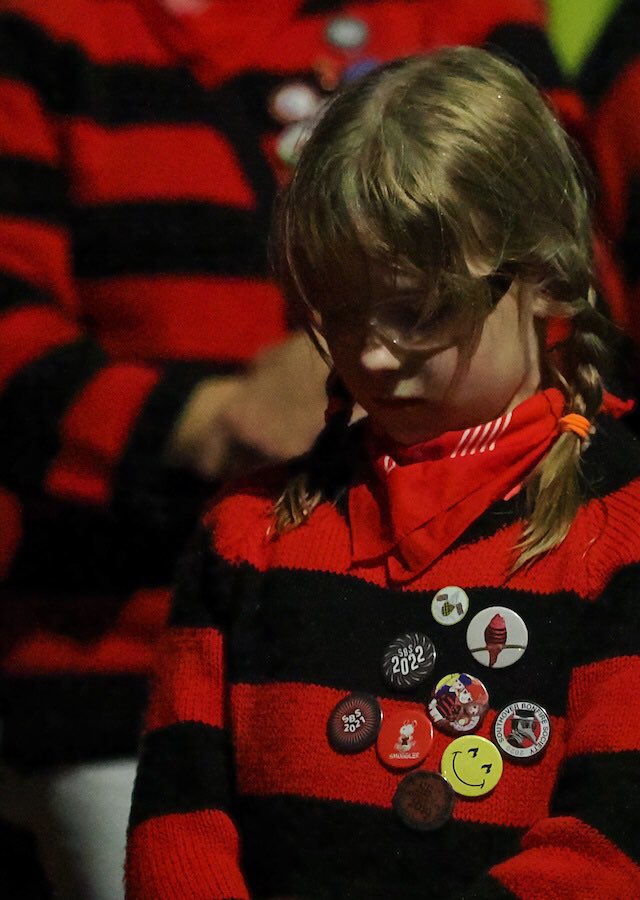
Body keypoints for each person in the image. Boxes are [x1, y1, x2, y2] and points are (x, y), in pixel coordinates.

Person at [125, 46, 640, 898]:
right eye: (340, 315)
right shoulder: (246, 534)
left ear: (548, 276)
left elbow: (617, 848)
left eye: (418, 311)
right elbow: (178, 827)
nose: (374, 354)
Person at [0, 2, 570, 896]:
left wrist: (372, 358)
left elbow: (568, 262)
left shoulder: (458, 12)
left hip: (462, 647)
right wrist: (213, 421)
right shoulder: (43, 27)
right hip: (132, 661)